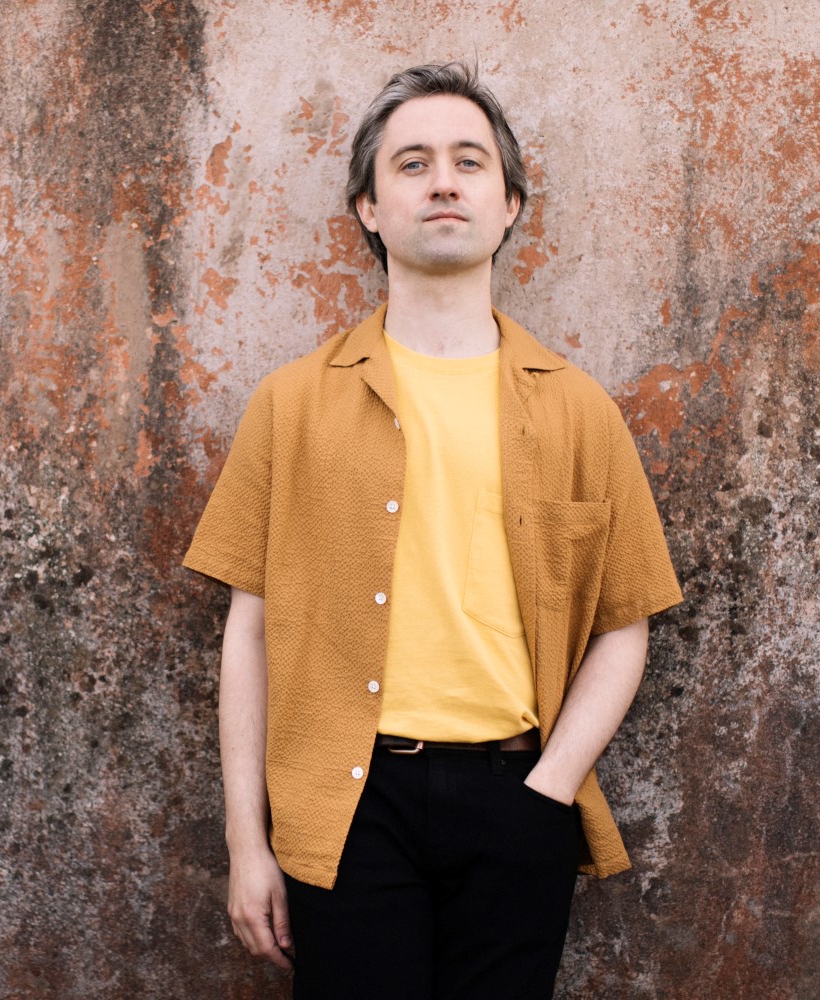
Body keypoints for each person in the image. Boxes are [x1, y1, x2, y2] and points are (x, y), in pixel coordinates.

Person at [183, 62, 682, 999]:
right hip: (347, 806)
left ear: (509, 205)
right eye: (412, 164)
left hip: (518, 798)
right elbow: (249, 631)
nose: (443, 182)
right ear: (369, 208)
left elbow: (625, 623)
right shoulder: (291, 405)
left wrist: (552, 788)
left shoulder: (579, 411)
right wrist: (248, 844)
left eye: (469, 162)